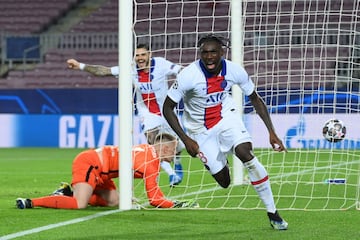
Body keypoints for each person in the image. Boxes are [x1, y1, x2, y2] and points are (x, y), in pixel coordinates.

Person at [162, 34, 288, 230]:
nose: (209, 56)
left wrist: (272, 132)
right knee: (224, 182)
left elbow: (255, 98)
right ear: (200, 54)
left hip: (225, 117)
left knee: (246, 153)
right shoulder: (188, 75)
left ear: (222, 52)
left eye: (213, 52)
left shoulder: (234, 70)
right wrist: (186, 139)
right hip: (199, 130)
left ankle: (273, 212)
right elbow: (167, 108)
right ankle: (218, 158)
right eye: (204, 52)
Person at [66, 44, 184, 186]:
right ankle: (172, 175)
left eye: (143, 55)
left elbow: (180, 70)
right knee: (153, 141)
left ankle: (177, 162)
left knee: (178, 146)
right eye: (137, 55)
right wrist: (80, 65)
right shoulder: (130, 68)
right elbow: (104, 71)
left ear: (149, 55)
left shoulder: (161, 64)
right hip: (147, 113)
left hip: (167, 111)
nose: (139, 58)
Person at [16, 133, 199, 209]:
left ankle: (68, 192)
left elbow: (128, 166)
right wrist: (176, 204)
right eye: (175, 151)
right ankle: (32, 201)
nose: (175, 155)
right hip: (90, 164)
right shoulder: (151, 163)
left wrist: (129, 193)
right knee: (80, 204)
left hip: (103, 171)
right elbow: (155, 200)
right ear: (166, 149)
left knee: (115, 201)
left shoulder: (146, 149)